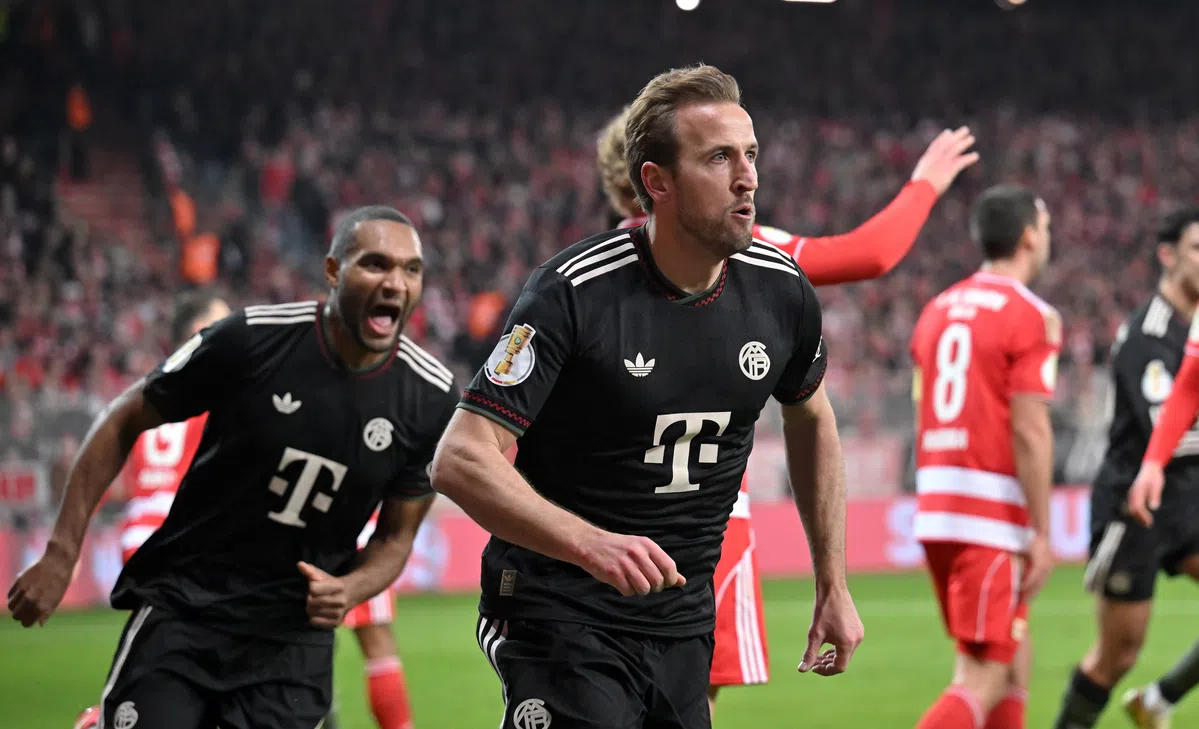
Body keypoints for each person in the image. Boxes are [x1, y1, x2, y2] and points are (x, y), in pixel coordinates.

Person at [431, 64, 864, 729]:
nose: (747, 177)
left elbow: (811, 417)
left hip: (681, 621)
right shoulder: (573, 292)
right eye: (718, 158)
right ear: (656, 182)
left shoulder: (782, 292)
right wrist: (590, 544)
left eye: (750, 154)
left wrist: (832, 581)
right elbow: (460, 457)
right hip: (557, 610)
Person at [9, 205, 458, 729]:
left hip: (291, 640)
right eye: (375, 264)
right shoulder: (254, 339)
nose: (395, 283)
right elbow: (123, 417)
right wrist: (62, 553)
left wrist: (351, 588)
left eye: (411, 269)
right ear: (333, 271)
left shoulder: (431, 399)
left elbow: (396, 538)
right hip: (188, 609)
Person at [594, 104, 978, 713]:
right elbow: (871, 255)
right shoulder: (742, 248)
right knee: (688, 701)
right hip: (709, 521)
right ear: (657, 176)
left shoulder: (583, 273)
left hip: (599, 524)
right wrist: (926, 182)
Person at [908, 184, 1059, 729]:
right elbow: (1030, 429)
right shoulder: (1032, 315)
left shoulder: (937, 309)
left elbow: (924, 409)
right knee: (982, 677)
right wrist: (1041, 531)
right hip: (989, 516)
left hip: (937, 508)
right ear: (1029, 237)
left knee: (1013, 658)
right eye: (1045, 227)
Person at [1055, 207, 1199, 729]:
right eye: (1197, 249)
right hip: (1134, 505)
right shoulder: (1146, 333)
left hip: (1188, 497)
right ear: (1168, 256)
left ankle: (1159, 700)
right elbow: (1167, 427)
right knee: (1117, 656)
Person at [70, 291, 230, 729]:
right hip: (183, 539)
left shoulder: (151, 389)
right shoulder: (216, 391)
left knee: (165, 655)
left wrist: (73, 537)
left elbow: (111, 466)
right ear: (198, 332)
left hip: (140, 536)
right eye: (222, 323)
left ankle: (111, 716)